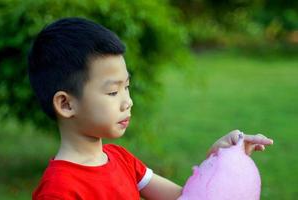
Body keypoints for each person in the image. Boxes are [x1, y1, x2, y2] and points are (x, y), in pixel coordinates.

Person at [28, 17, 274, 200]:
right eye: (113, 91)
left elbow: (183, 198)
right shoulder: (58, 190)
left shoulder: (122, 161)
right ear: (66, 103)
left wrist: (219, 157)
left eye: (127, 87)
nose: (128, 101)